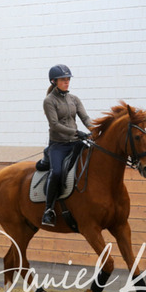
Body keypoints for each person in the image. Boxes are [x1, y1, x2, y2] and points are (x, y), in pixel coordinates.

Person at [41, 64, 92, 227]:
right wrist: (77, 132)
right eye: (63, 79)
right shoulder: (49, 101)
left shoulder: (74, 99)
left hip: (75, 142)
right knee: (56, 172)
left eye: (68, 79)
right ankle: (48, 210)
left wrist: (95, 130)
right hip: (59, 145)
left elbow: (85, 118)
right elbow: (54, 125)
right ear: (54, 81)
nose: (67, 82)